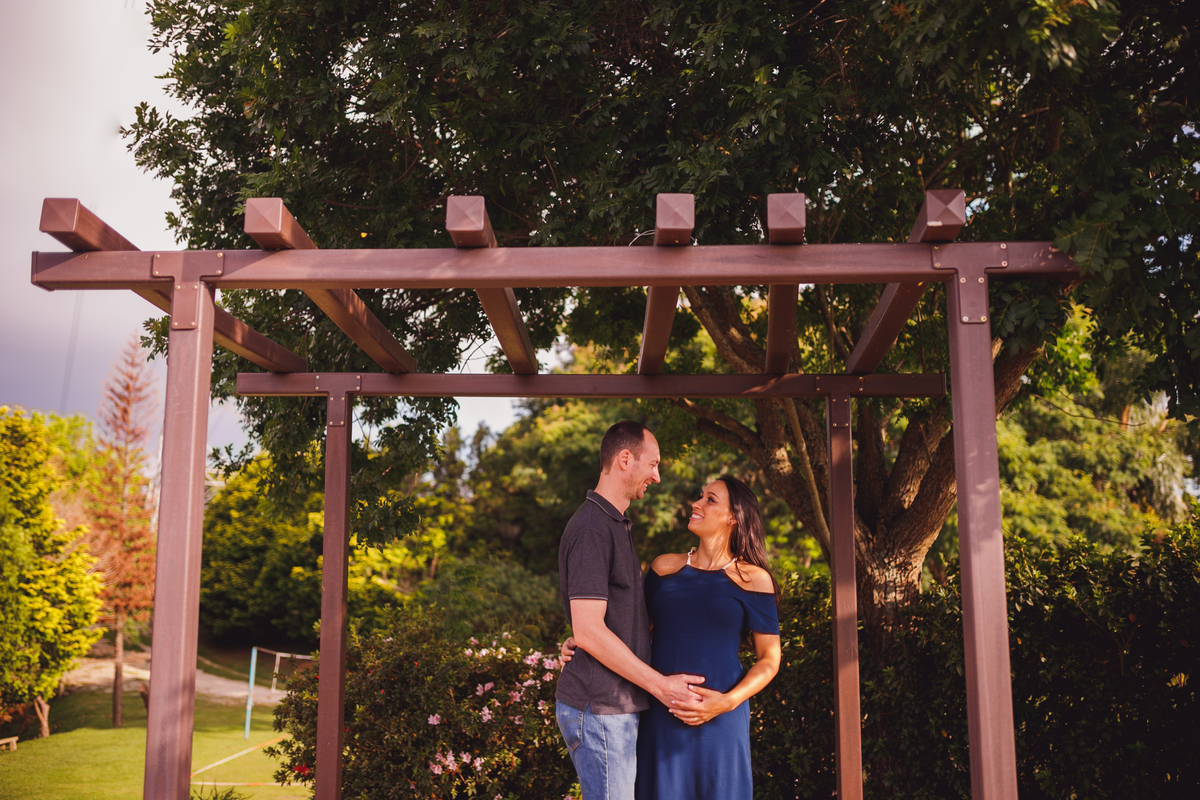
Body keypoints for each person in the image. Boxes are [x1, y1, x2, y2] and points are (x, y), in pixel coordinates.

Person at [563, 475, 781, 800]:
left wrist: (728, 702)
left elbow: (769, 659)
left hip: (721, 720)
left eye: (710, 499)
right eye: (700, 495)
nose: (697, 503)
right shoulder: (664, 568)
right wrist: (583, 639)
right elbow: (634, 630)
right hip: (660, 714)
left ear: (734, 517)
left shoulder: (754, 579)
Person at [556, 420, 705, 800]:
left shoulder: (614, 524)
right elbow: (589, 629)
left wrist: (581, 638)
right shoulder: (593, 528)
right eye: (652, 464)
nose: (656, 476)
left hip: (613, 706)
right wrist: (661, 685)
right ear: (625, 459)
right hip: (602, 709)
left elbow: (596, 624)